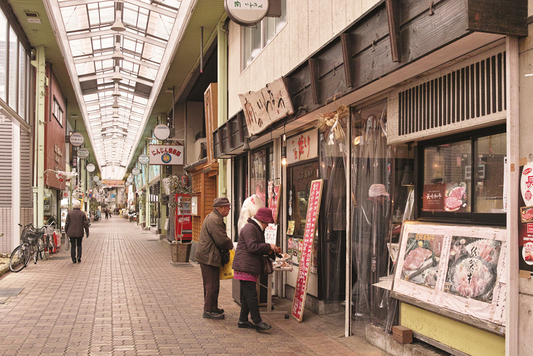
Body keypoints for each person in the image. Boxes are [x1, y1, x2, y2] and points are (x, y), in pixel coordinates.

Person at [232, 207, 281, 331]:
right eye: (267, 223)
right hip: (245, 267)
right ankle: (257, 321)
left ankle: (243, 320)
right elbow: (252, 247)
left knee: (247, 296)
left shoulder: (256, 228)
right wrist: (269, 245)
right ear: (262, 221)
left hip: (248, 266)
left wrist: (270, 250)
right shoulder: (250, 228)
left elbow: (257, 247)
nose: (267, 226)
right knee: (252, 296)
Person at [195, 197, 234, 320]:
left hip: (208, 255)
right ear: (220, 207)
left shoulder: (213, 217)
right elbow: (221, 240)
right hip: (208, 256)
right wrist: (231, 244)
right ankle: (209, 310)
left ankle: (212, 307)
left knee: (212, 284)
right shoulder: (215, 219)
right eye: (227, 207)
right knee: (211, 285)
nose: (229, 209)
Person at [65, 200, 89, 264]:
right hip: (79, 232)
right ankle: (79, 257)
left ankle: (73, 258)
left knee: (73, 246)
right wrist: (87, 231)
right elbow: (85, 224)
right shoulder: (82, 213)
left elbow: (67, 223)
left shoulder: (70, 213)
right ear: (79, 206)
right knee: (79, 245)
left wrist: (66, 231)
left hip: (71, 232)